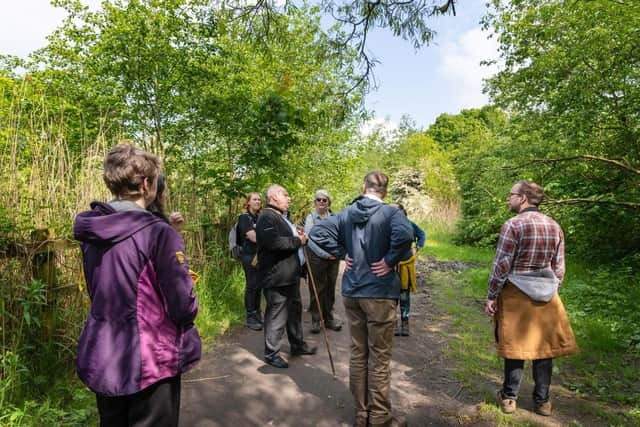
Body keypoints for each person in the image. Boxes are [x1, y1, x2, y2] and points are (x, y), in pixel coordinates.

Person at [73, 144, 201, 427]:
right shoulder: (158, 233)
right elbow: (182, 303)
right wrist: (192, 307)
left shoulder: (92, 229)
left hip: (104, 352)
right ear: (146, 184)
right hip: (150, 358)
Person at [310, 172, 414, 427]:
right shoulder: (391, 214)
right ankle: (379, 417)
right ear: (384, 192)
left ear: (363, 187)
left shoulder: (345, 213)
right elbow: (406, 236)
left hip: (353, 292)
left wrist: (343, 253)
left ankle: (361, 414)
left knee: (358, 353)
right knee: (379, 357)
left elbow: (318, 232)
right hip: (379, 294)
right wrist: (389, 261)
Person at [484, 180, 578, 417]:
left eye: (511, 194)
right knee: (545, 349)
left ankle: (509, 398)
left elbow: (501, 265)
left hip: (516, 292)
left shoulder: (513, 225)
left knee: (515, 347)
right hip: (548, 295)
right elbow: (559, 267)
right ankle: (542, 402)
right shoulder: (554, 225)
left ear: (523, 198)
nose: (509, 198)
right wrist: (551, 287)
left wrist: (492, 296)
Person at [256, 184, 317, 369]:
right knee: (277, 315)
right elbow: (273, 243)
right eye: (286, 195)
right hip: (277, 277)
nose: (289, 198)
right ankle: (271, 353)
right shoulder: (266, 216)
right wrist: (299, 240)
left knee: (294, 311)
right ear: (274, 197)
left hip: (290, 275)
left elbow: (285, 237)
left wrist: (297, 234)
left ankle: (297, 344)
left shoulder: (281, 217)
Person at [303, 189, 342, 334]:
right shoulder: (310, 218)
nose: (321, 202)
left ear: (328, 202)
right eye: (318, 200)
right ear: (314, 202)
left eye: (324, 200)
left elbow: (341, 237)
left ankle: (329, 318)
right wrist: (325, 254)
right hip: (316, 258)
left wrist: (336, 253)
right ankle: (316, 319)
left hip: (334, 258)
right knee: (317, 288)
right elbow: (309, 239)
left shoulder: (335, 217)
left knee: (330, 288)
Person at [391, 204, 425, 337]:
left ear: (403, 212)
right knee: (391, 297)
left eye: (398, 211)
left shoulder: (410, 224)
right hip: (391, 267)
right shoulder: (387, 225)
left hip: (405, 265)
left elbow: (422, 234)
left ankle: (405, 324)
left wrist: (417, 247)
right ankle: (393, 323)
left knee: (404, 296)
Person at [237, 192, 263, 331]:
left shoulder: (260, 217)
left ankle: (258, 313)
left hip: (260, 255)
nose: (258, 201)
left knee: (259, 285)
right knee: (252, 285)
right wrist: (269, 241)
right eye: (254, 199)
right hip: (249, 256)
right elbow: (252, 236)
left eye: (259, 199)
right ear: (248, 202)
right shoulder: (244, 218)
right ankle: (250, 316)